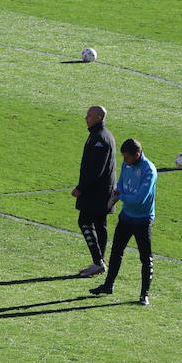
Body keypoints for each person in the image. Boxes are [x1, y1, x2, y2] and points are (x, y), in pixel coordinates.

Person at [91, 138, 157, 305]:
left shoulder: (148, 170)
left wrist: (119, 196)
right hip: (126, 216)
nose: (124, 160)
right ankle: (108, 285)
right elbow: (120, 183)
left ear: (137, 154)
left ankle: (144, 294)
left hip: (142, 220)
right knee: (116, 252)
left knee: (145, 257)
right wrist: (114, 195)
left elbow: (140, 200)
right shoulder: (127, 165)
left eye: (127, 157)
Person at [72, 105, 116, 278]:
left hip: (96, 192)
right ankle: (99, 261)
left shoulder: (100, 139)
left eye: (89, 115)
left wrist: (80, 188)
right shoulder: (103, 135)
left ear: (99, 117)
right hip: (103, 191)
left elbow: (96, 170)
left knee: (84, 221)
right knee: (100, 225)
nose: (86, 118)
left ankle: (98, 261)